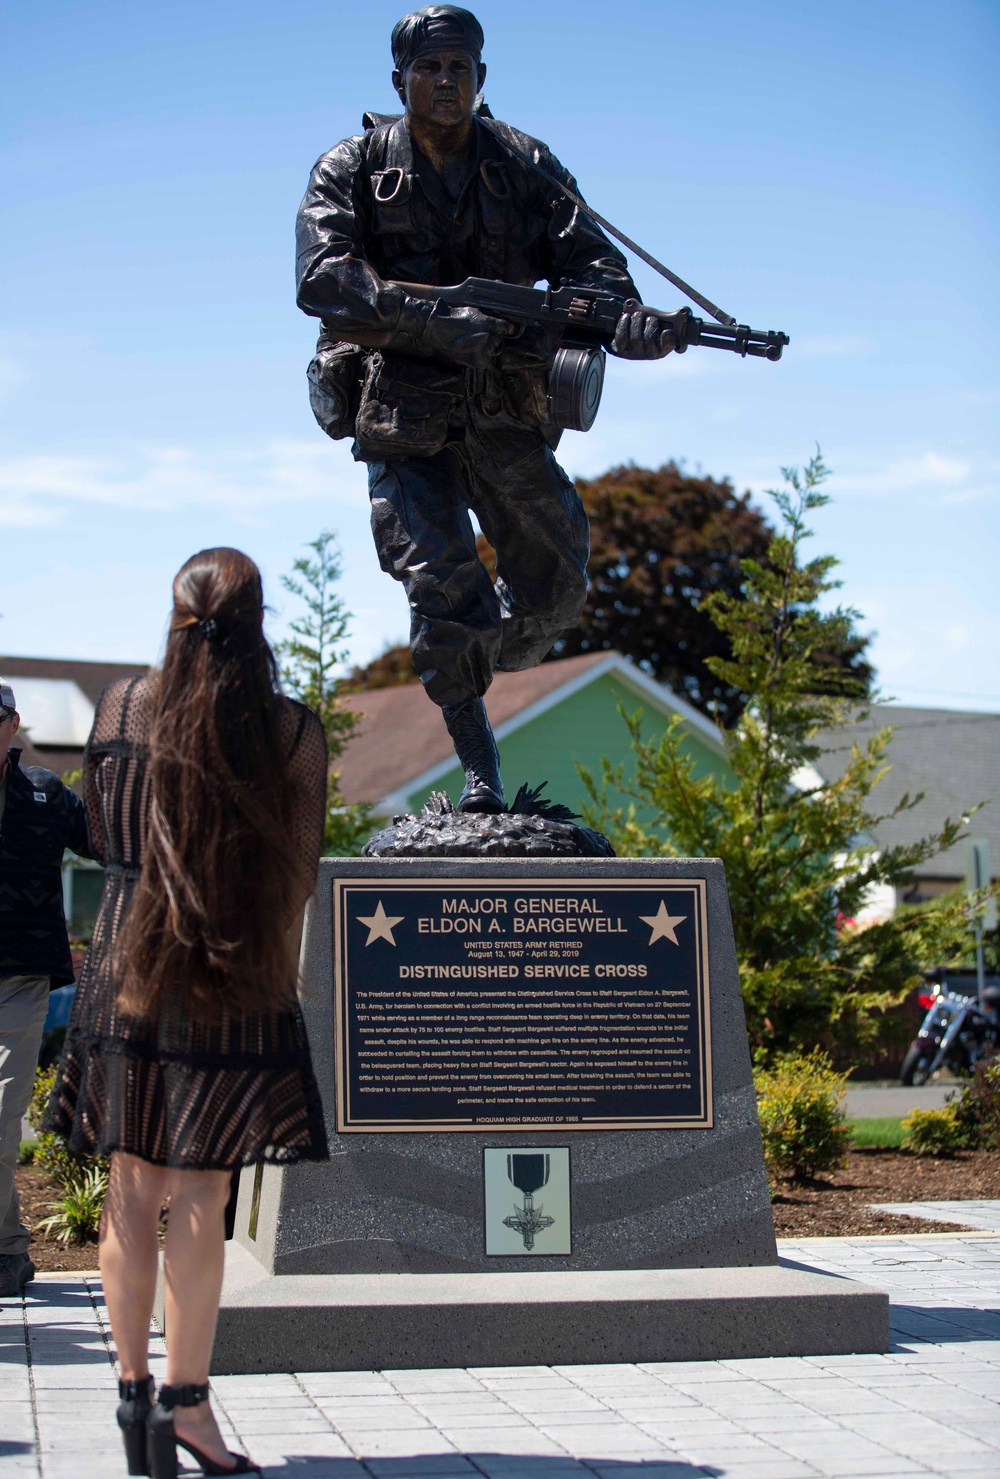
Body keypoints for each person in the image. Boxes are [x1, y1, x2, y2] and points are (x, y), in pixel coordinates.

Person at [296, 4, 678, 814]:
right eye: (428, 68)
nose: (444, 81)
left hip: (506, 411)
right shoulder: (353, 167)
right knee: (443, 586)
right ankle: (479, 772)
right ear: (400, 80)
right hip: (404, 417)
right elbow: (322, 279)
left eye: (459, 67)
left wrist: (632, 324)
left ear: (482, 76)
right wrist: (430, 318)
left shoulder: (525, 165)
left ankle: (463, 648)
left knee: (556, 590)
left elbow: (597, 270)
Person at [45, 550, 329, 1478]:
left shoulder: (124, 705)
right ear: (258, 620)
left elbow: (100, 833)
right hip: (230, 969)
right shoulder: (289, 733)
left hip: (127, 963)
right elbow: (296, 872)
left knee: (133, 1185)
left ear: (175, 616)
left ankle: (132, 1403)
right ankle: (189, 1409)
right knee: (202, 1191)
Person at [0, 678, 92, 1299]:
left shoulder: (43, 793)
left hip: (19, 977)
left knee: (2, 1116)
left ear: (12, 724)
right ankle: (8, 1248)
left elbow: (112, 844)